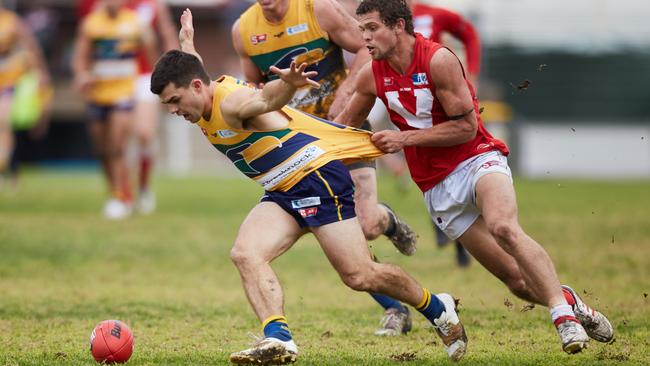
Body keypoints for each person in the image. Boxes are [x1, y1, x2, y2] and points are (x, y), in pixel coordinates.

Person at [151, 9, 468, 364]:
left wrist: (287, 84)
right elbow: (193, 69)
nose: (174, 111)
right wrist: (187, 43)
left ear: (196, 87)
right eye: (168, 105)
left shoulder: (232, 103)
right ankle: (278, 338)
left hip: (315, 175)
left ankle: (435, 305)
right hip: (282, 190)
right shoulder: (199, 89)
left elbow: (264, 100)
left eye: (175, 102)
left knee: (360, 275)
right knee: (245, 253)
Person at [335, 0, 614, 354]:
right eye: (361, 30)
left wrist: (404, 139)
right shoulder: (371, 73)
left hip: (476, 159)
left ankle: (564, 319)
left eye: (372, 28)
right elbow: (344, 130)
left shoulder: (439, 60)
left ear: (399, 27)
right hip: (436, 187)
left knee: (504, 227)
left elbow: (467, 127)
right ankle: (572, 301)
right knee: (516, 281)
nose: (365, 39)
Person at [232, 0, 417, 336]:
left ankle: (385, 220)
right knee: (337, 237)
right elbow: (253, 91)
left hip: (341, 128)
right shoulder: (243, 30)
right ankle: (394, 308)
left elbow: (366, 49)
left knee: (368, 224)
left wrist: (348, 89)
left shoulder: (318, 10)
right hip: (298, 149)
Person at [77, 0, 178, 214]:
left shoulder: (153, 4)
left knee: (143, 134)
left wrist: (171, 72)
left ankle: (142, 186)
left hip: (142, 77)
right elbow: (86, 41)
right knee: (110, 142)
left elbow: (166, 35)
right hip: (106, 80)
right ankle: (122, 192)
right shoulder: (96, 8)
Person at [410, 0, 482, 266]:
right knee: (426, 166)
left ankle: (461, 239)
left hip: (442, 103)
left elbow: (470, 34)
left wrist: (472, 73)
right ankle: (443, 224)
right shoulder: (378, 19)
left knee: (458, 163)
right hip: (408, 104)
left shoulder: (433, 14)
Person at [0, 5, 51, 187]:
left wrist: (41, 72)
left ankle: (6, 167)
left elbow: (31, 47)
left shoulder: (11, 22)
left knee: (3, 122)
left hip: (8, 81)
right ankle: (10, 168)